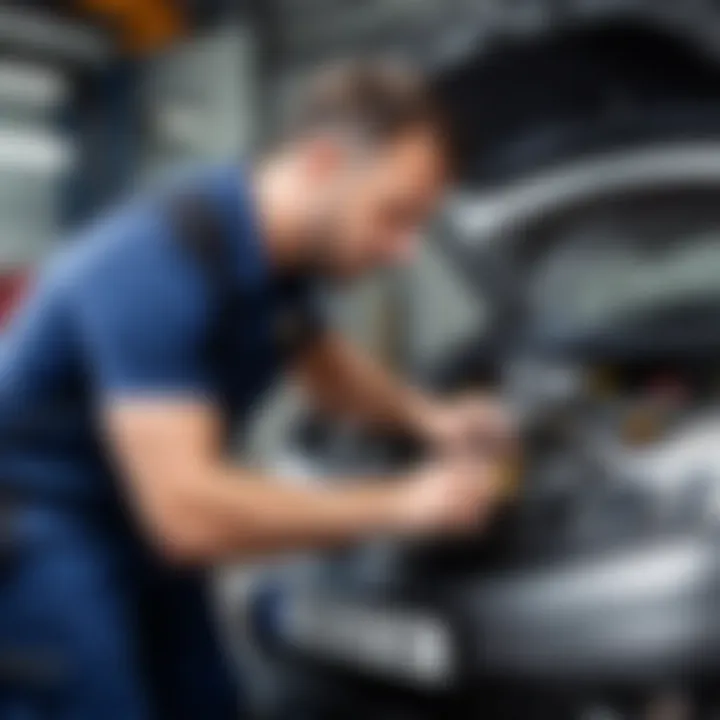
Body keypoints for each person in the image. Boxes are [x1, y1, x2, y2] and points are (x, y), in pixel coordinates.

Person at [0, 60, 511, 719]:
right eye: (395, 215)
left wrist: (431, 418)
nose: (403, 250)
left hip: (135, 515)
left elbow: (328, 370)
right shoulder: (159, 260)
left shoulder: (279, 263)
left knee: (209, 702)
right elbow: (187, 517)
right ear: (323, 163)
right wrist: (402, 504)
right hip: (38, 528)